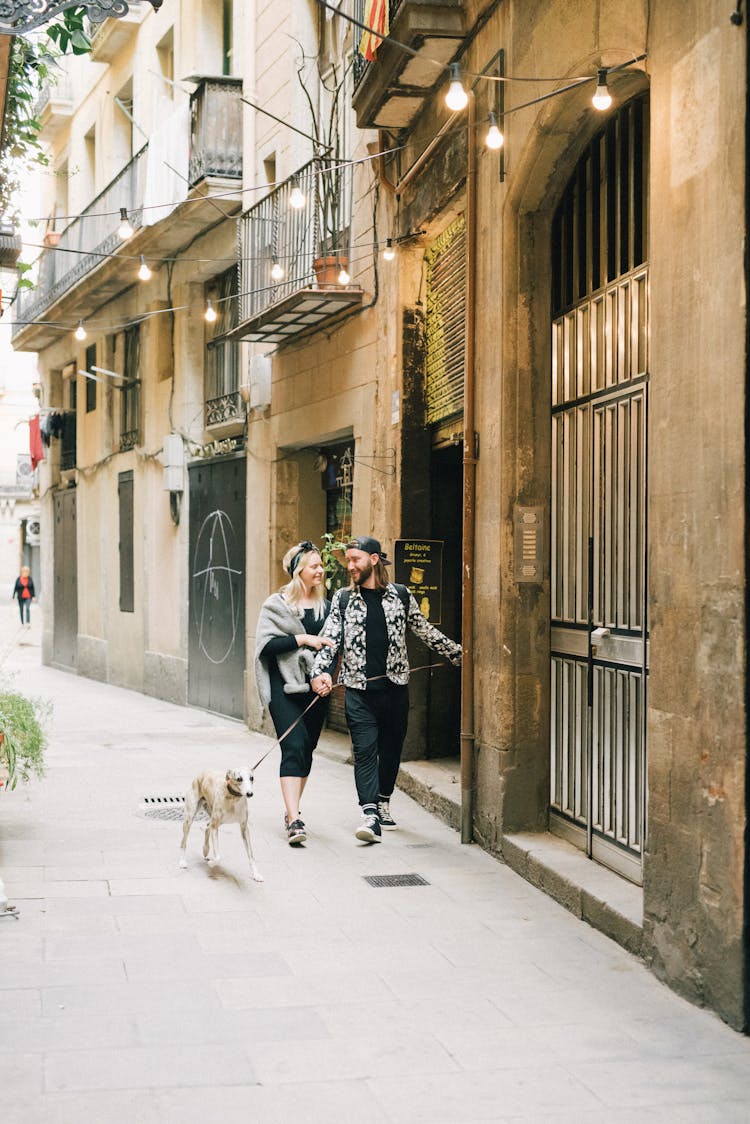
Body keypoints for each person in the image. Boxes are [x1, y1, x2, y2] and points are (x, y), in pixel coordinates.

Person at [311, 535, 462, 844]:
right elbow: (329, 640)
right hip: (358, 690)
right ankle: (369, 814)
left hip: (395, 689)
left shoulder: (401, 596)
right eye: (348, 560)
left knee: (391, 749)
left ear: (374, 559)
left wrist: (458, 653)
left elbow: (425, 631)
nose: (350, 565)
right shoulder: (342, 599)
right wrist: (321, 672)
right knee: (365, 750)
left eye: (356, 560)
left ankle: (383, 800)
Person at [255, 542, 334, 845]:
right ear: (299, 570)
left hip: (315, 685)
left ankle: (291, 812)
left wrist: (326, 675)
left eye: (321, 566)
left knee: (307, 748)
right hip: (284, 685)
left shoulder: (327, 607)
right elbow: (266, 646)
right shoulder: (276, 605)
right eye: (315, 566)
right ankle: (295, 819)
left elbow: (332, 647)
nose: (320, 570)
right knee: (294, 745)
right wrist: (301, 639)